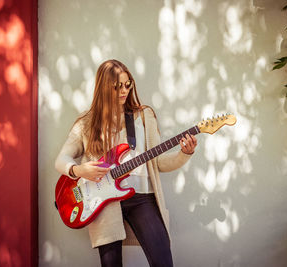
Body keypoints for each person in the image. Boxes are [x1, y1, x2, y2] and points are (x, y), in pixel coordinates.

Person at [55, 59, 197, 267]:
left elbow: (158, 163)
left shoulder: (144, 116)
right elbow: (61, 160)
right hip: (102, 203)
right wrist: (79, 170)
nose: (124, 91)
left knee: (163, 261)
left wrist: (184, 154)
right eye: (117, 86)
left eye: (127, 84)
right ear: (103, 87)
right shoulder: (87, 122)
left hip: (142, 199)